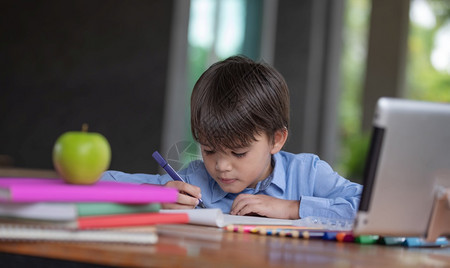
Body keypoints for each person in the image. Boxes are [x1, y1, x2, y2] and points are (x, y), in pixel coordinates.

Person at [101, 55, 362, 219]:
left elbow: (371, 206)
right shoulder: (195, 180)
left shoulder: (307, 174)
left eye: (239, 153)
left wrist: (292, 209)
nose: (221, 166)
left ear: (276, 140)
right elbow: (100, 183)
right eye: (209, 149)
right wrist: (156, 196)